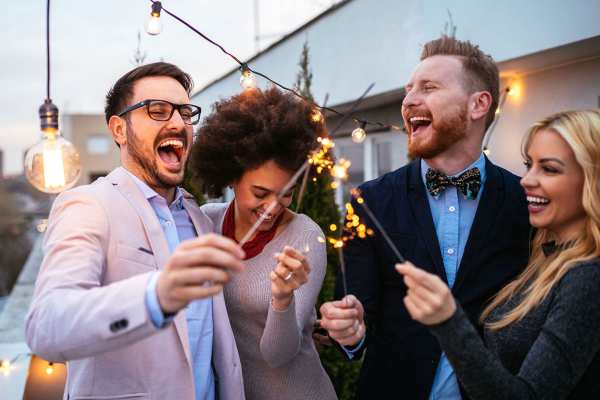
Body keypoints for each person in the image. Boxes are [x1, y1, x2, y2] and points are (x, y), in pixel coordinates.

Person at [319, 36, 531, 399]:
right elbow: (358, 316)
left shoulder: (525, 202)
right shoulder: (369, 201)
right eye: (408, 90)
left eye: (429, 88)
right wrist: (350, 330)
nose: (409, 101)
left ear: (479, 104)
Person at [25, 62, 246, 400]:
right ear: (119, 130)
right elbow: (46, 326)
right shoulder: (88, 205)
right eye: (157, 110)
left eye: (185, 112)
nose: (177, 122)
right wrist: (155, 296)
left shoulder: (198, 218)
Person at [398, 109, 600, 399]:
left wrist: (448, 321)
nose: (527, 180)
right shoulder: (544, 258)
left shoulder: (587, 277)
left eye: (550, 169)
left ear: (592, 181)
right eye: (529, 165)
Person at [187, 87, 337, 400]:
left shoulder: (305, 235)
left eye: (286, 193)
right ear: (230, 176)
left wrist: (282, 299)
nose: (273, 206)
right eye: (260, 193)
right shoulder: (205, 223)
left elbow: (278, 355)